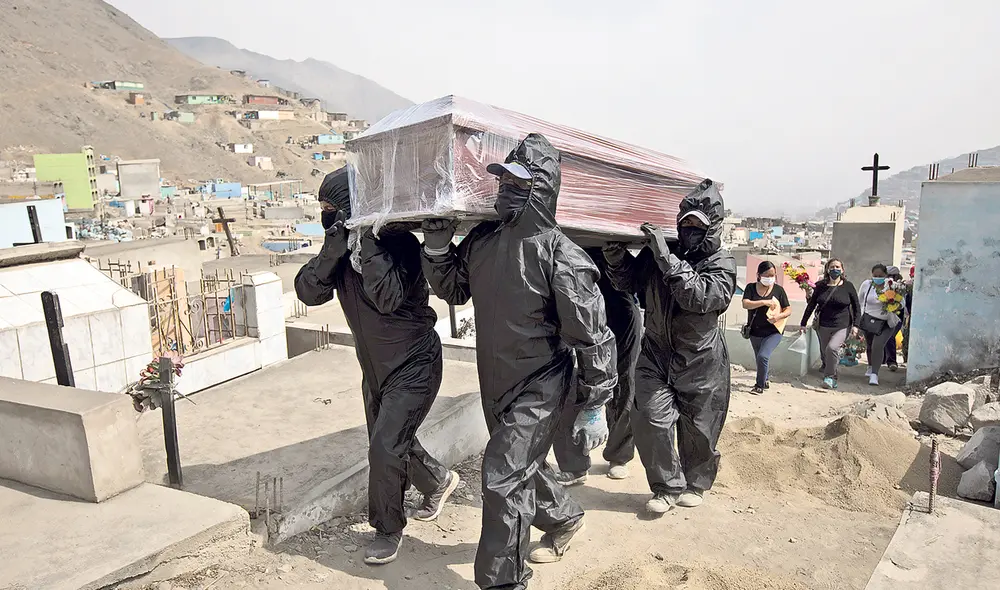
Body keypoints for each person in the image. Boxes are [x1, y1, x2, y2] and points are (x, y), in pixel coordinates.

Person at [420, 134, 618, 590]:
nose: (505, 188)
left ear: (542, 190)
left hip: (542, 383)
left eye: (517, 181)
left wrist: (595, 403)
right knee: (517, 466)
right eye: (503, 179)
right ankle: (565, 516)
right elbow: (455, 291)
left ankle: (503, 581)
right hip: (495, 377)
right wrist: (436, 250)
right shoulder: (484, 240)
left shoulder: (563, 257)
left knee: (502, 475)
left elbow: (592, 336)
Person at [294, 167, 459, 566]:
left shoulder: (399, 244)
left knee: (385, 447)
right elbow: (307, 292)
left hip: (415, 363)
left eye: (332, 207)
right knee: (389, 442)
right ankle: (437, 482)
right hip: (375, 369)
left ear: (354, 208)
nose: (325, 214)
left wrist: (368, 242)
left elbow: (386, 297)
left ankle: (387, 530)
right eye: (322, 208)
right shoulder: (338, 248)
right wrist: (332, 251)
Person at [602, 179, 737, 515]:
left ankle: (696, 482)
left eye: (698, 224)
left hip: (700, 358)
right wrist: (616, 258)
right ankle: (665, 486)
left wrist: (664, 256)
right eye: (686, 221)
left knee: (699, 429)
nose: (689, 228)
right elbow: (630, 282)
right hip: (656, 351)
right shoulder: (659, 253)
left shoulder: (722, 263)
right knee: (648, 416)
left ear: (712, 228)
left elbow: (700, 297)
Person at [553, 247, 642, 485]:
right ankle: (574, 464)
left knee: (623, 382)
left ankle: (619, 456)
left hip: (617, 307)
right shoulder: (561, 239)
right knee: (569, 382)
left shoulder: (607, 239)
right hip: (571, 304)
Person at [799, 258, 860, 389]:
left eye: (838, 267)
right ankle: (833, 375)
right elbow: (811, 305)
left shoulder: (848, 286)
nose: (835, 269)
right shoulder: (820, 286)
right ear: (827, 269)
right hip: (823, 325)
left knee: (832, 348)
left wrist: (856, 325)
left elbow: (856, 307)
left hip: (842, 325)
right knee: (826, 354)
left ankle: (829, 378)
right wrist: (803, 323)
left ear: (842, 270)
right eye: (832, 267)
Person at [741, 261, 792, 395]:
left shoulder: (778, 290)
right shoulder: (750, 288)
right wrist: (764, 302)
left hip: (773, 331)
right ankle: (765, 379)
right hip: (755, 331)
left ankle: (759, 386)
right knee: (759, 357)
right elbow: (746, 304)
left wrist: (778, 317)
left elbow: (788, 309)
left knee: (763, 356)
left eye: (773, 275)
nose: (770, 278)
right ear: (758, 275)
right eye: (767, 275)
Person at [856, 263, 906, 386]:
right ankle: (871, 365)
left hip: (886, 322)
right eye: (875, 275)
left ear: (886, 275)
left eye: (880, 275)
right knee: (869, 345)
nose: (878, 278)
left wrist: (894, 305)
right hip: (869, 320)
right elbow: (860, 301)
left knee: (877, 345)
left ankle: (874, 374)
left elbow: (902, 303)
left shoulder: (892, 286)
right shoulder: (867, 285)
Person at [883, 266, 906, 371]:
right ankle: (882, 360)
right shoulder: (882, 287)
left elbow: (902, 304)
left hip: (896, 319)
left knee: (889, 337)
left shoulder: (900, 288)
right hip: (884, 317)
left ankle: (892, 361)